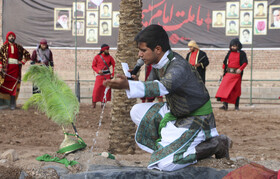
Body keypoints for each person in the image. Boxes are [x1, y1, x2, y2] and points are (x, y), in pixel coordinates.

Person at [103, 24, 232, 171]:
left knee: (166, 164)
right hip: (174, 112)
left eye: (143, 50)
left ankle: (216, 144)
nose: (139, 55)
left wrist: (128, 86)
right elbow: (151, 92)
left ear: (157, 49)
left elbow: (161, 87)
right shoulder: (158, 64)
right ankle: (171, 147)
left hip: (196, 118)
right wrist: (132, 81)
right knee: (136, 111)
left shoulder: (178, 66)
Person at [0, 31, 31, 110]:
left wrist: (23, 61)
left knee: (14, 86)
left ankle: (12, 104)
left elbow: (27, 55)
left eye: (13, 36)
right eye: (10, 36)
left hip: (15, 69)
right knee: (2, 84)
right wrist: (0, 66)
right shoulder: (4, 47)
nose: (11, 37)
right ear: (7, 37)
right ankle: (2, 102)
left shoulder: (18, 46)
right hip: (6, 69)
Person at [216, 38, 248, 111]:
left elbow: (245, 62)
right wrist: (222, 72)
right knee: (225, 89)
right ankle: (225, 105)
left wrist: (240, 69)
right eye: (232, 46)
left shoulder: (242, 53)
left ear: (238, 46)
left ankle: (236, 106)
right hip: (228, 74)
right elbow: (225, 63)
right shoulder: (229, 53)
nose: (233, 47)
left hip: (236, 75)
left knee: (236, 91)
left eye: (235, 46)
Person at [92, 44, 115, 108]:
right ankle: (94, 102)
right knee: (96, 89)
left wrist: (112, 74)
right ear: (103, 50)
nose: (108, 51)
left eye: (108, 49)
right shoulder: (97, 57)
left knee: (106, 89)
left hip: (107, 76)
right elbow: (93, 66)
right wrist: (98, 70)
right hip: (99, 76)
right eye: (107, 49)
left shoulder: (110, 57)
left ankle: (103, 103)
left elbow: (114, 65)